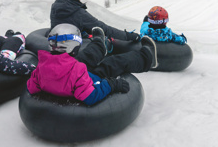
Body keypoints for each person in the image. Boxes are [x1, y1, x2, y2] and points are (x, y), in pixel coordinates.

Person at [27, 24, 158, 105]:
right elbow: (90, 96)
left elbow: (32, 88)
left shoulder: (41, 67)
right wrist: (111, 85)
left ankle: (99, 44)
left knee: (84, 57)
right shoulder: (77, 71)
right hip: (89, 80)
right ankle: (147, 58)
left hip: (68, 74)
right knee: (112, 63)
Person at [50, 0, 141, 45]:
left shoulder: (56, 7)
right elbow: (102, 28)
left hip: (60, 45)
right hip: (75, 49)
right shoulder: (77, 12)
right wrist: (127, 36)